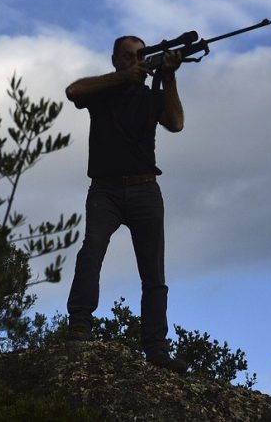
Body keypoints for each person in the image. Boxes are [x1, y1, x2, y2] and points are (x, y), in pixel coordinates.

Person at [64, 35, 188, 374]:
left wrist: (170, 75)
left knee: (153, 272)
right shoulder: (103, 92)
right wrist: (120, 79)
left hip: (145, 189)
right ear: (117, 60)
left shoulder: (149, 96)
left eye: (140, 56)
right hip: (104, 191)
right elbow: (73, 91)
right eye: (129, 57)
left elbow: (176, 123)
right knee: (91, 251)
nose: (136, 61)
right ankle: (79, 324)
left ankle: (156, 347)